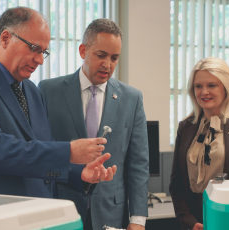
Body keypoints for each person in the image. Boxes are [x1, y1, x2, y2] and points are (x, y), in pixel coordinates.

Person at [0, 7, 117, 201]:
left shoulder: (32, 91)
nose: (40, 60)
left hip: (33, 216)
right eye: (34, 48)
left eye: (44, 52)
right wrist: (68, 152)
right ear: (6, 38)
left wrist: (79, 174)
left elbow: (39, 151)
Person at [38, 19, 149, 230]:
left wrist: (138, 220)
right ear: (83, 51)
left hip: (112, 214)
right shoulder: (48, 91)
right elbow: (41, 152)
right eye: (101, 55)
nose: (108, 64)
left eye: (114, 57)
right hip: (61, 210)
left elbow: (138, 165)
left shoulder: (132, 98)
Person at [169, 57, 229, 230]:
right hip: (193, 222)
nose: (204, 92)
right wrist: (189, 222)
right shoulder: (186, 126)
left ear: (226, 87)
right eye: (198, 86)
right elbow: (176, 183)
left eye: (211, 85)